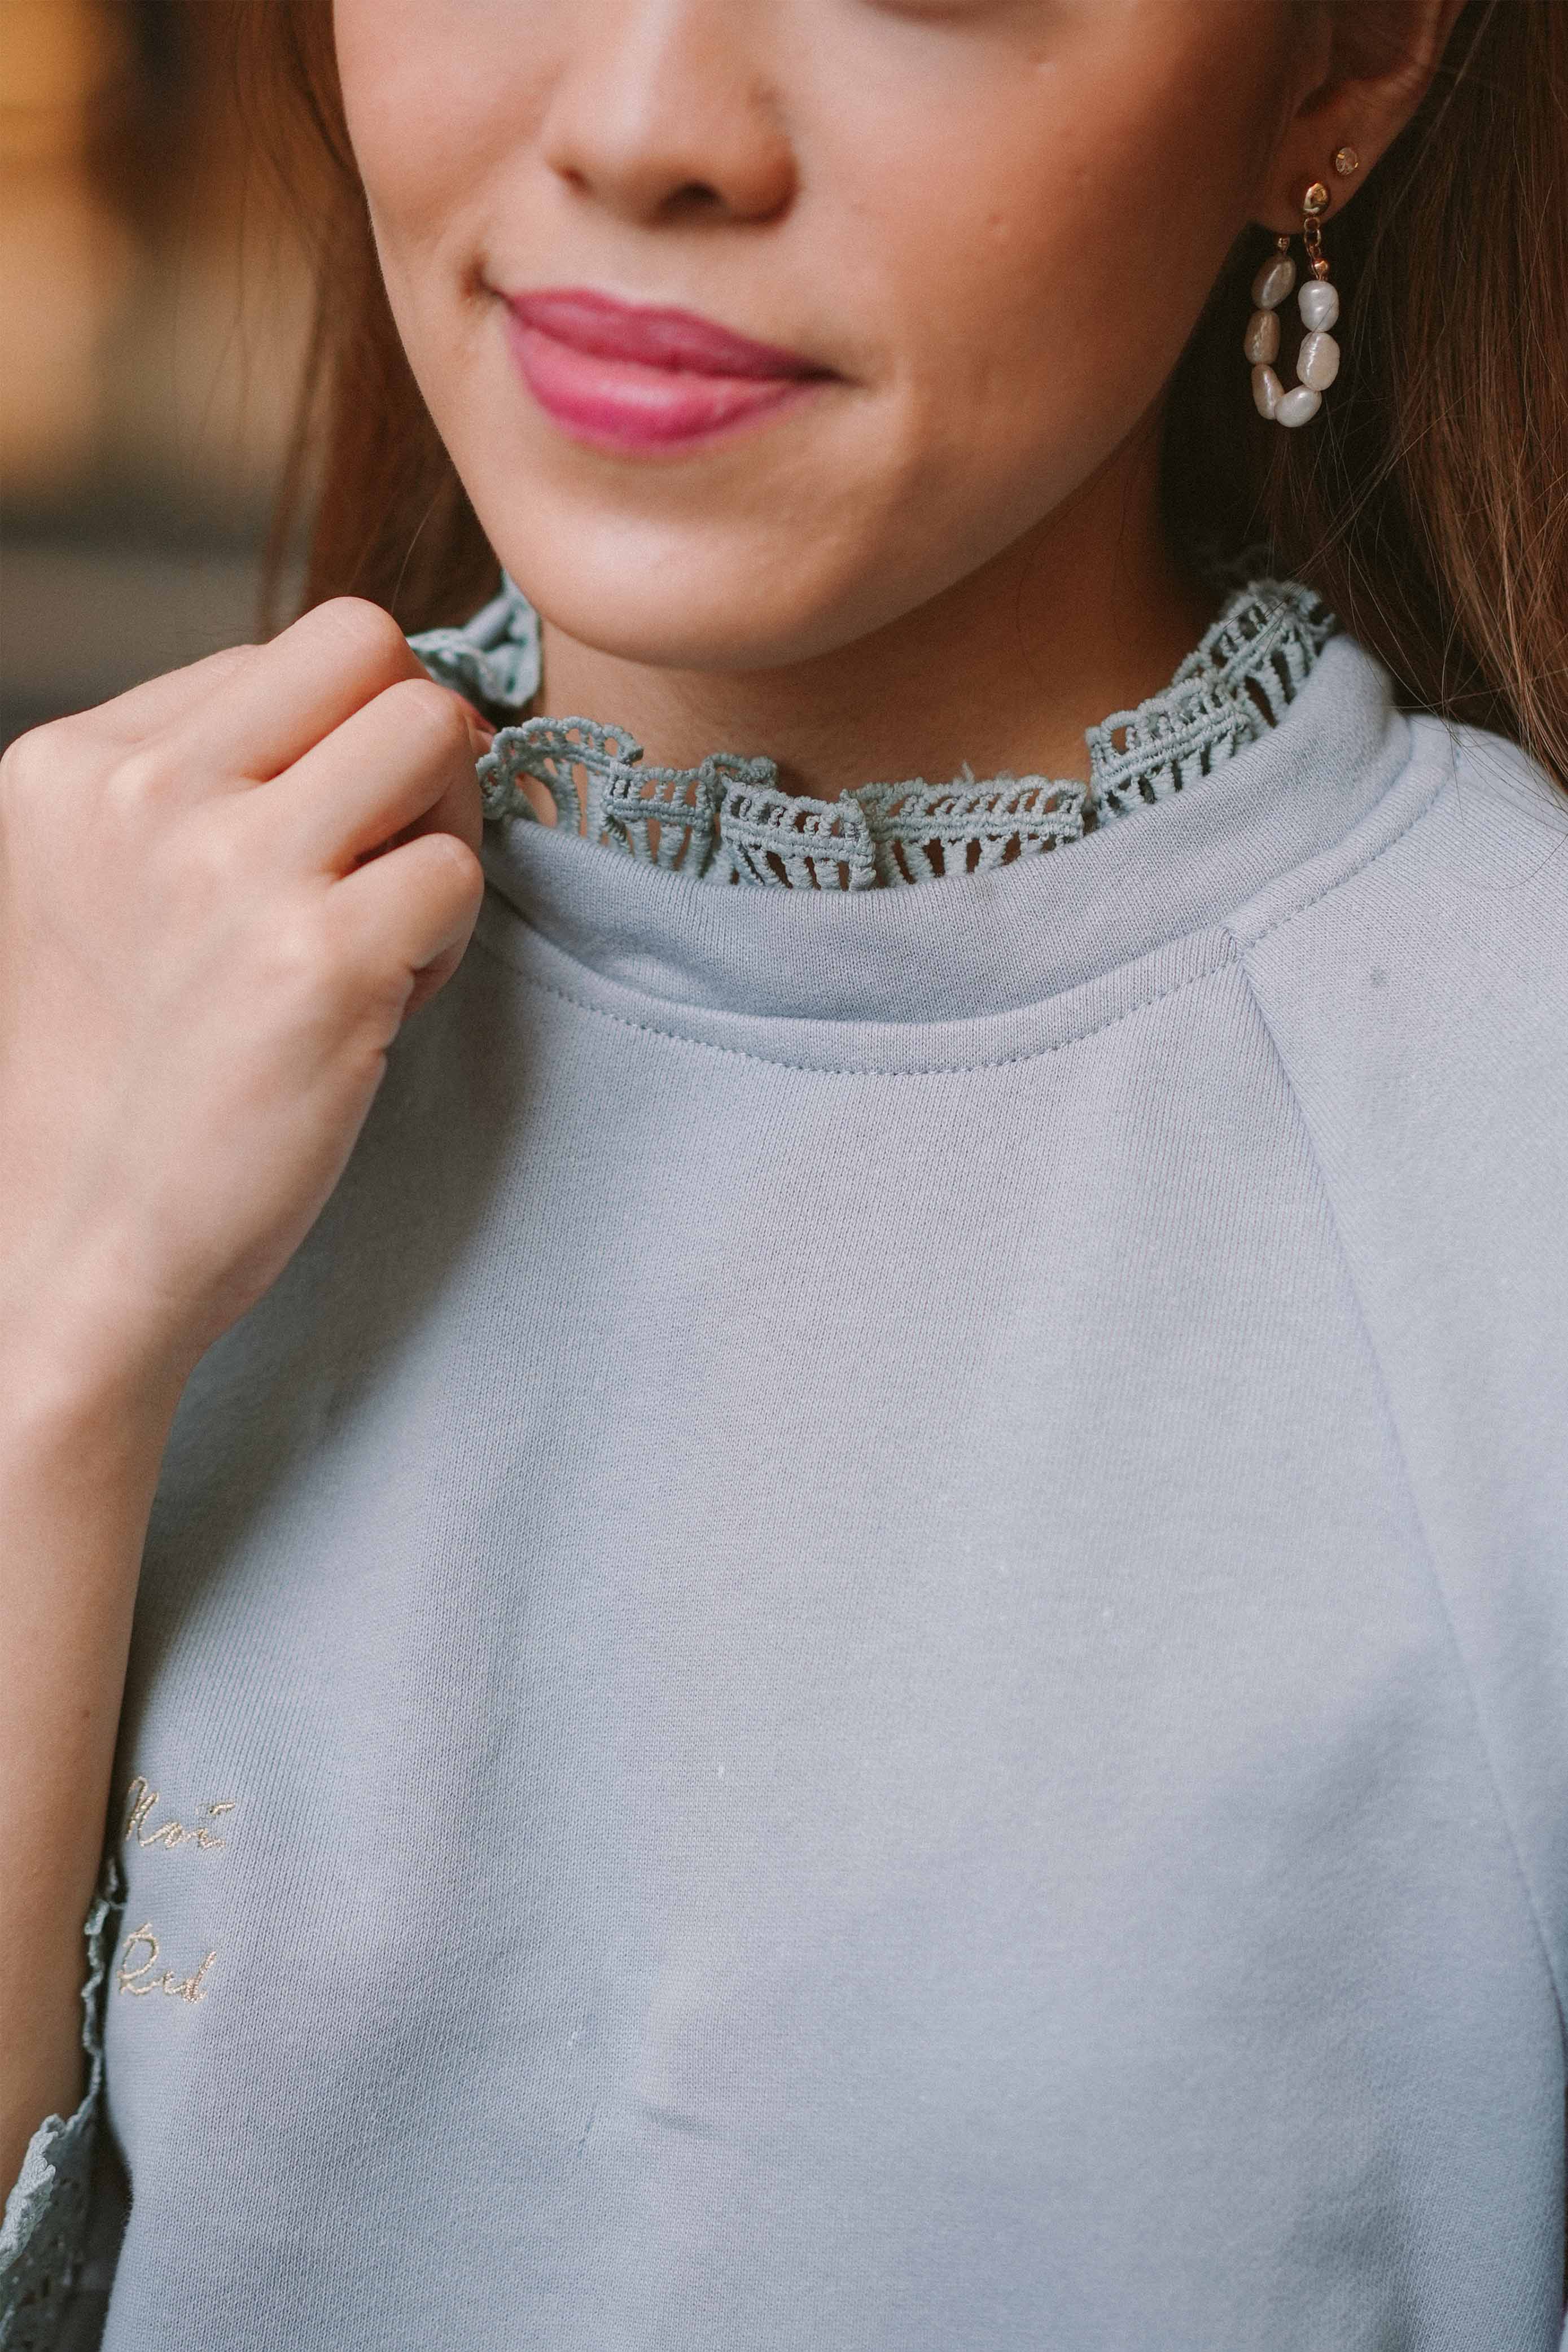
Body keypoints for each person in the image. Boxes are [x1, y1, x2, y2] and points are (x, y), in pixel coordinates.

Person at [2, 1, 1565, 2345]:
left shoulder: (1501, 1152)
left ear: (1339, 64)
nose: (642, 125)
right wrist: (50, 1362)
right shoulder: (79, 986)